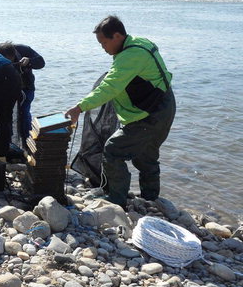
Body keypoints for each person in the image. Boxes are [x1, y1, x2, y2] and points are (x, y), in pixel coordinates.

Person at [65, 15, 176, 209]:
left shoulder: (130, 56)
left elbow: (110, 87)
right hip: (164, 105)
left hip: (151, 113)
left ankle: (117, 199)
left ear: (117, 36)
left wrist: (79, 107)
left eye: (104, 42)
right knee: (146, 154)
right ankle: (150, 200)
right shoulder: (139, 43)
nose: (103, 47)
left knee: (113, 151)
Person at [0, 42, 45, 146]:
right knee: (6, 115)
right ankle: (9, 143)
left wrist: (29, 61)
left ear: (13, 55)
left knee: (24, 114)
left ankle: (27, 142)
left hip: (26, 88)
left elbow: (41, 62)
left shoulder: (23, 49)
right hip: (9, 89)